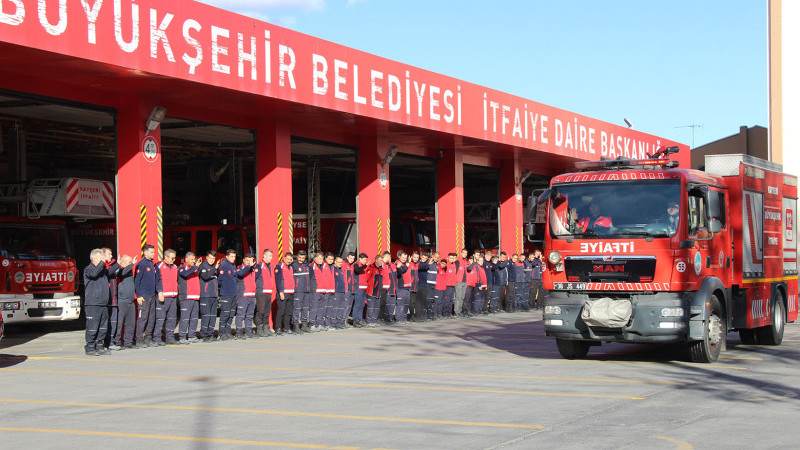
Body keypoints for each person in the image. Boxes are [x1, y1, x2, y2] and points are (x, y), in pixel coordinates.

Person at [84, 248, 112, 356]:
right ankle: (90, 347)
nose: (103, 260)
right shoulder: (88, 269)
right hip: (93, 303)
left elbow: (111, 271)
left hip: (103, 303)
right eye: (101, 258)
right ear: (94, 258)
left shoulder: (103, 270)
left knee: (103, 326)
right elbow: (94, 274)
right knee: (93, 326)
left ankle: (99, 345)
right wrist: (102, 264)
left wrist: (119, 264)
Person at [135, 244, 161, 348]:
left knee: (151, 318)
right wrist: (139, 295)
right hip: (144, 296)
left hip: (152, 296)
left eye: (153, 252)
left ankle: (148, 338)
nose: (153, 254)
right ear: (145, 253)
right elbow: (137, 281)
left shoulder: (152, 264)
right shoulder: (141, 264)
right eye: (151, 252)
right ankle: (139, 339)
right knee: (143, 318)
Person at [154, 249, 179, 345]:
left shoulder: (175, 267)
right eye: (172, 258)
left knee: (172, 318)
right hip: (163, 296)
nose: (174, 260)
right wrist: (159, 292)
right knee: (160, 318)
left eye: (174, 258)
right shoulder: (159, 266)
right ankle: (157, 338)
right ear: (166, 257)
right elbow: (157, 280)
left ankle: (169, 337)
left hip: (173, 297)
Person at [177, 252, 201, 343]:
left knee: (194, 318)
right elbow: (185, 274)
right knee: (185, 317)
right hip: (186, 297)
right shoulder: (182, 268)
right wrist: (195, 267)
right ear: (186, 259)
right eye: (191, 259)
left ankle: (192, 335)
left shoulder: (194, 269)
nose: (193, 261)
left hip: (195, 297)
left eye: (194, 259)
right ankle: (182, 336)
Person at [114, 255, 136, 349]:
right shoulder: (119, 271)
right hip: (122, 301)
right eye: (129, 262)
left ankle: (128, 342)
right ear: (123, 262)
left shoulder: (129, 271)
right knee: (119, 323)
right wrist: (132, 264)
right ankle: (117, 342)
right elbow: (123, 272)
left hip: (131, 301)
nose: (131, 264)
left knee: (130, 323)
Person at [217, 249, 239, 340]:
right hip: (226, 293)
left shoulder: (233, 266)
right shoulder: (224, 266)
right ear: (227, 257)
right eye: (231, 256)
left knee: (231, 314)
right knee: (225, 314)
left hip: (233, 293)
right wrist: (227, 286)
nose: (233, 258)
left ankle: (227, 331)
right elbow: (219, 281)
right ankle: (221, 333)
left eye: (234, 257)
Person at [102, 248, 121, 350]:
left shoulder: (113, 266)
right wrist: (118, 264)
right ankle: (103, 343)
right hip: (106, 301)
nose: (111, 256)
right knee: (105, 322)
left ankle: (111, 342)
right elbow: (107, 273)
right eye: (109, 254)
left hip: (113, 300)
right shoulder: (101, 267)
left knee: (113, 322)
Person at [198, 250, 219, 342]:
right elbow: (205, 276)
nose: (212, 260)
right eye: (210, 258)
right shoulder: (202, 267)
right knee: (206, 315)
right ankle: (203, 334)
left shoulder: (214, 267)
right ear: (206, 258)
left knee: (213, 316)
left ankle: (210, 333)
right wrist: (215, 269)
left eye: (213, 258)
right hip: (205, 295)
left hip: (214, 295)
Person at [235, 253, 257, 339]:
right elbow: (240, 274)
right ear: (244, 260)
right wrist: (248, 267)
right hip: (243, 296)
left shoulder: (253, 269)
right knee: (241, 315)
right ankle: (239, 332)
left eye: (251, 260)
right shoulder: (240, 268)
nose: (249, 262)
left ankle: (248, 331)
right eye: (247, 260)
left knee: (249, 315)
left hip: (252, 296)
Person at [254, 249, 275, 337]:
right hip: (261, 292)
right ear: (264, 256)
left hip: (268, 291)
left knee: (266, 312)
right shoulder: (259, 266)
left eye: (271, 256)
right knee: (260, 311)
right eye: (269, 256)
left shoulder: (269, 266)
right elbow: (254, 278)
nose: (271, 258)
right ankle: (259, 329)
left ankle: (266, 328)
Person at [274, 252, 296, 334]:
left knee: (288, 312)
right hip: (283, 293)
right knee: (281, 311)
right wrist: (280, 292)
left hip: (291, 292)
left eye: (291, 259)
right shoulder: (279, 266)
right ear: (284, 258)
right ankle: (278, 328)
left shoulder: (291, 267)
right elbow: (278, 280)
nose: (289, 261)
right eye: (288, 259)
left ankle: (287, 327)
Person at [291, 250, 311, 332]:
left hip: (306, 290)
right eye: (300, 257)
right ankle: (295, 325)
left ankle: (304, 325)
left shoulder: (307, 266)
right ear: (297, 257)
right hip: (298, 291)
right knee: (297, 308)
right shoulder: (294, 266)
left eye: (303, 258)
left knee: (305, 308)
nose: (301, 259)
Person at [364, 254, 384, 326]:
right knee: (371, 307)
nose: (381, 262)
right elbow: (366, 279)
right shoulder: (371, 268)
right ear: (376, 260)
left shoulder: (381, 269)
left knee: (376, 307)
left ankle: (374, 321)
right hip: (371, 292)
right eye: (380, 260)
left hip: (378, 292)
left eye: (382, 260)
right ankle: (369, 321)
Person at [351, 253, 370, 327]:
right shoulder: (356, 264)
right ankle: (355, 320)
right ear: (360, 259)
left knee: (362, 304)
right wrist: (365, 266)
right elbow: (357, 270)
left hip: (364, 287)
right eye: (364, 259)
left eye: (366, 259)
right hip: (358, 288)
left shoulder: (363, 266)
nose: (365, 261)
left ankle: (360, 319)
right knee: (357, 304)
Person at [380, 251, 398, 323]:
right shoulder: (382, 265)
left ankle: (390, 318)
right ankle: (384, 318)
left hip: (393, 289)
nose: (388, 259)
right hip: (385, 289)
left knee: (392, 304)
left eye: (389, 257)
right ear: (383, 258)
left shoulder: (393, 266)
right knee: (385, 305)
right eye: (387, 257)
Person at [395, 250, 411, 325]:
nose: (405, 259)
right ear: (399, 256)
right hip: (401, 287)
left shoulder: (406, 263)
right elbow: (401, 272)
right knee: (400, 304)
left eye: (406, 257)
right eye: (403, 257)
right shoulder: (397, 263)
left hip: (408, 287)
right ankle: (399, 319)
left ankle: (404, 319)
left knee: (406, 304)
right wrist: (407, 265)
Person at [453, 249, 469, 316]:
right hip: (459, 282)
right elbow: (455, 272)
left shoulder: (466, 261)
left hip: (465, 282)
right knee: (458, 297)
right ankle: (456, 312)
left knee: (462, 297)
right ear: (460, 253)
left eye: (466, 253)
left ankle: (460, 311)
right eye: (463, 253)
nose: (465, 254)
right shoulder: (458, 261)